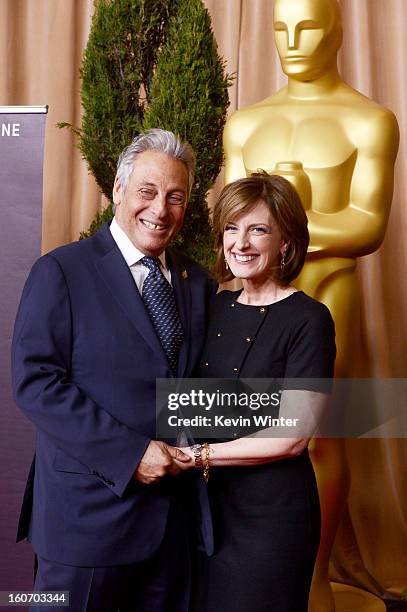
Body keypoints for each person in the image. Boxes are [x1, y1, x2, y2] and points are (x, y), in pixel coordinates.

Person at [222, 0, 399, 607]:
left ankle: (315, 576)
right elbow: (230, 221)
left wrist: (287, 215)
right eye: (280, 30)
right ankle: (253, 563)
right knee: (247, 422)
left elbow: (369, 223)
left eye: (309, 27)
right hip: (250, 296)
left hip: (329, 287)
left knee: (322, 435)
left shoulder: (369, 120)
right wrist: (275, 224)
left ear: (338, 31)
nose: (292, 41)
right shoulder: (245, 124)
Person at [11, 128, 215, 612]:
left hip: (173, 531)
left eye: (175, 197)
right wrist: (130, 454)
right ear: (118, 190)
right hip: (87, 524)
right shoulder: (61, 272)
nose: (160, 210)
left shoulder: (197, 282)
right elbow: (35, 382)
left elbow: (195, 385)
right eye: (147, 191)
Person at [183, 172, 336, 612]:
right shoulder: (210, 307)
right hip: (202, 511)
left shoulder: (309, 319)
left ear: (285, 242)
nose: (241, 243)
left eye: (258, 229)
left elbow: (292, 436)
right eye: (232, 227)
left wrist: (196, 457)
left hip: (272, 518)